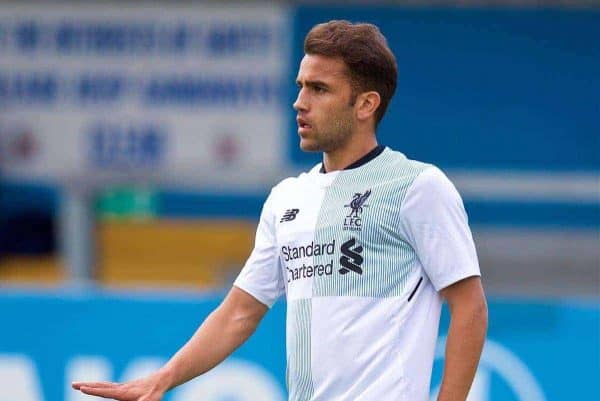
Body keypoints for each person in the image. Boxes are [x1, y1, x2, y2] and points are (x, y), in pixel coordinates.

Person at [72, 20, 488, 401]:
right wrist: (162, 378)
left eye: (319, 89)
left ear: (365, 105)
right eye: (301, 85)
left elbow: (470, 305)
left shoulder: (417, 187)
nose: (299, 103)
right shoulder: (288, 197)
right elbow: (239, 312)